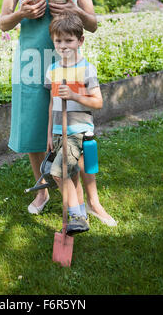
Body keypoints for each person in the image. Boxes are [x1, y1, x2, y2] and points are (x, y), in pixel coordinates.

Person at [0, 0, 116, 226]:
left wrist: (75, 9)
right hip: (29, 61)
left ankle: (91, 201)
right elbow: (3, 23)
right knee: (33, 127)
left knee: (75, 131)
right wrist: (23, 13)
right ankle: (42, 191)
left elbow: (92, 24)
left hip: (67, 62)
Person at [45, 12, 105, 235]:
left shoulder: (86, 69)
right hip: (59, 131)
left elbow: (97, 102)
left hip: (78, 130)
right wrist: (49, 134)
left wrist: (74, 95)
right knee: (70, 174)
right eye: (58, 40)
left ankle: (77, 215)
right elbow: (52, 104)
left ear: (80, 41)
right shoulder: (52, 70)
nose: (63, 45)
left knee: (59, 172)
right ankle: (80, 213)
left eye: (68, 40)